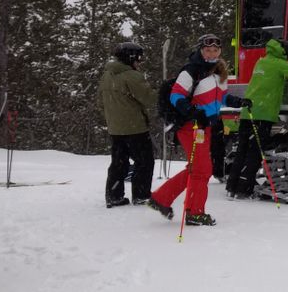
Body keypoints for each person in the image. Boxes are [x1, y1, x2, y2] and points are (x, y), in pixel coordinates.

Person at [148, 34, 250, 226]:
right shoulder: (191, 70)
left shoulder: (219, 71)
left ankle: (161, 198)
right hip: (191, 126)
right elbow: (176, 96)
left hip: (205, 126)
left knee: (196, 168)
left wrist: (237, 101)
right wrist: (193, 112)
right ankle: (195, 212)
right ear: (201, 50)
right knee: (202, 170)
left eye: (215, 50)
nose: (212, 53)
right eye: (208, 50)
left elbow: (221, 96)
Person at [227, 38, 288, 199]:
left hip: (247, 112)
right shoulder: (279, 64)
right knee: (254, 153)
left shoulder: (261, 62)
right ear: (284, 53)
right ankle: (244, 188)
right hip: (263, 115)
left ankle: (232, 186)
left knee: (242, 150)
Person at [98, 43, 158, 208]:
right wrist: (163, 92)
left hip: (115, 128)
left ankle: (114, 195)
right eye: (139, 58)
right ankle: (141, 195)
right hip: (135, 127)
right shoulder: (132, 76)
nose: (140, 62)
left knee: (119, 162)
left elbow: (100, 102)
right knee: (144, 161)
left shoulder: (107, 75)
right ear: (131, 58)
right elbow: (149, 98)